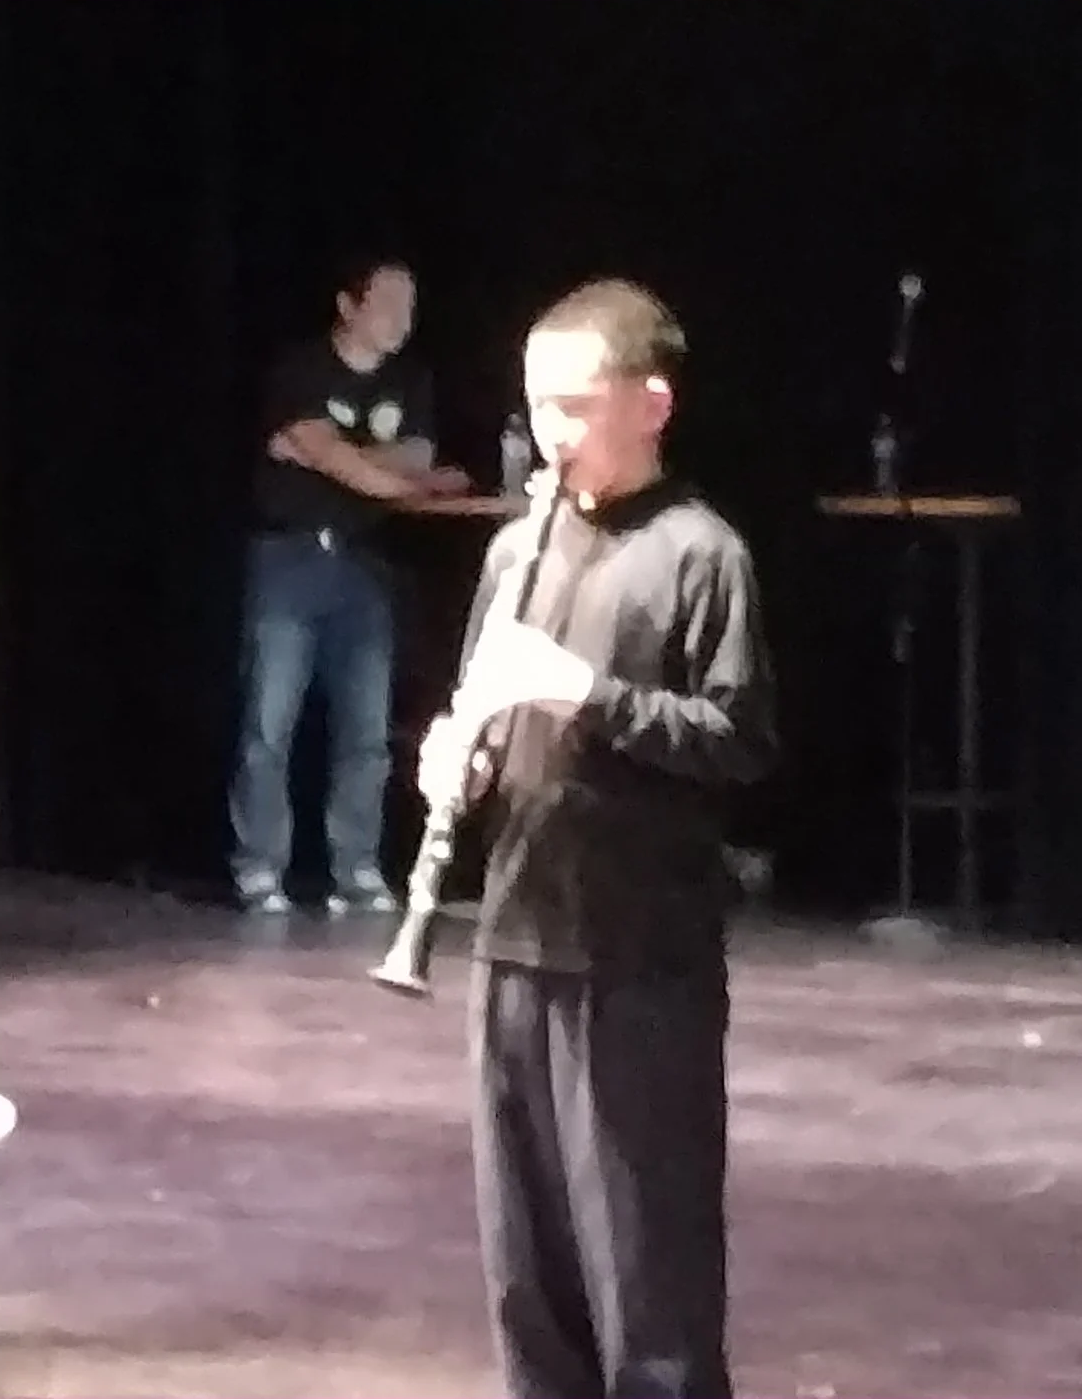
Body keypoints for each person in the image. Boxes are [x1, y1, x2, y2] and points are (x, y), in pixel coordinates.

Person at [417, 278, 777, 1399]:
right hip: (516, 936)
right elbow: (486, 717)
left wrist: (586, 693)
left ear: (651, 405)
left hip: (639, 959)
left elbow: (739, 741)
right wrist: (457, 759)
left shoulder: (700, 552)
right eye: (536, 406)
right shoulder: (516, 552)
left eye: (574, 406)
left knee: (647, 1278)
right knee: (529, 1281)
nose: (550, 433)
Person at [228, 256, 472, 918]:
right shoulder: (301, 370)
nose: (402, 320)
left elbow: (411, 455)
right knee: (269, 725)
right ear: (348, 305)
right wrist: (383, 475)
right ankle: (260, 868)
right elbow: (367, 467)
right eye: (388, 304)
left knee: (366, 731)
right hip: (289, 558)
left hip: (367, 564)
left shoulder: (410, 380)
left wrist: (337, 456)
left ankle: (357, 869)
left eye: (409, 307)